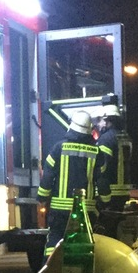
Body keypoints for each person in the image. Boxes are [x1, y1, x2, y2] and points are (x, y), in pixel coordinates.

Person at [37, 109, 103, 259]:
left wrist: (42, 197)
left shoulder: (58, 148)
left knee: (54, 241)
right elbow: (101, 180)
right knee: (83, 245)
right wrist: (105, 202)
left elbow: (47, 177)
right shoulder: (97, 152)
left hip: (60, 210)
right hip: (86, 210)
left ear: (72, 127)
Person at [95, 93, 133, 216]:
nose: (98, 124)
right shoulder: (125, 137)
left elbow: (102, 168)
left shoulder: (105, 139)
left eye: (99, 120)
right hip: (123, 192)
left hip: (110, 192)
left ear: (107, 120)